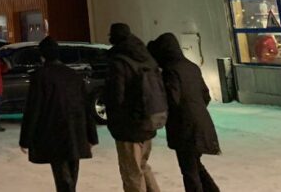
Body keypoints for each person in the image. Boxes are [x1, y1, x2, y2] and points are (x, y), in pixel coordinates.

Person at [19, 37, 98, 192]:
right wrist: (91, 135)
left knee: (63, 177)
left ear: (42, 56)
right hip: (76, 130)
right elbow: (86, 107)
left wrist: (25, 139)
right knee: (71, 175)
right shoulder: (74, 76)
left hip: (54, 132)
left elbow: (33, 108)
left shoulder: (40, 76)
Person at [148, 33, 221, 192]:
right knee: (195, 165)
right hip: (201, 123)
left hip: (184, 127)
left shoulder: (170, 70)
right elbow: (205, 95)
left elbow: (172, 99)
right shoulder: (192, 66)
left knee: (189, 170)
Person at [105, 23, 163, 192]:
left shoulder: (119, 61)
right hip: (149, 120)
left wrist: (115, 123)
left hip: (128, 127)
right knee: (143, 166)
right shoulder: (146, 57)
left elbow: (116, 96)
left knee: (131, 173)